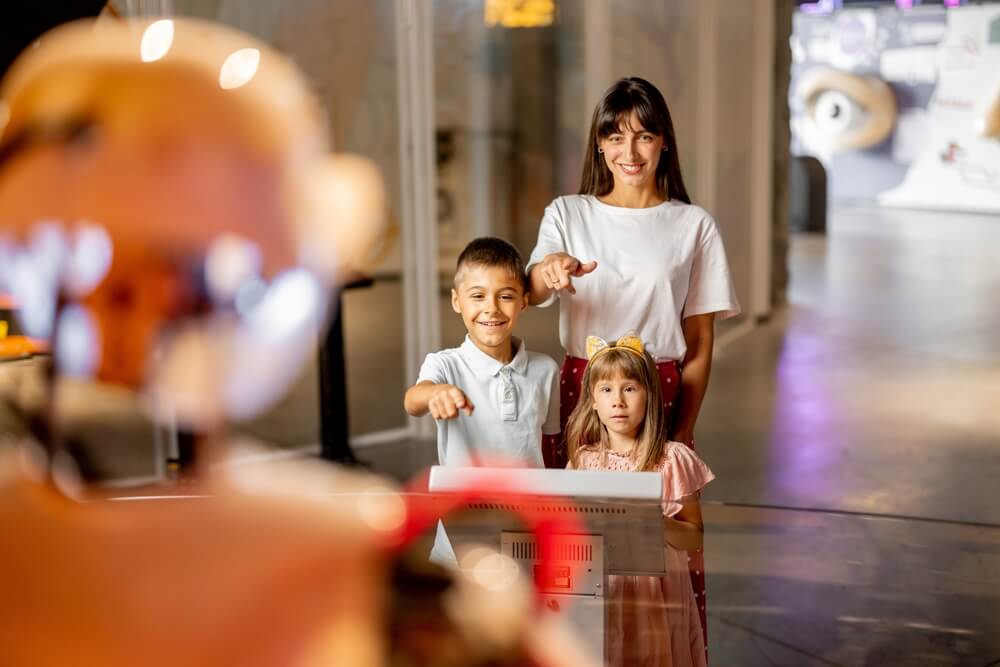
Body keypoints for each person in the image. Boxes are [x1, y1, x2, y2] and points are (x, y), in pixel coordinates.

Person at [526, 76, 740, 649]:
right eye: (616, 137)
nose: (630, 152)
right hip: (582, 388)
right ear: (598, 144)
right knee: (583, 537)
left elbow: (699, 343)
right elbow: (532, 288)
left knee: (661, 543)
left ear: (665, 142)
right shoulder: (567, 213)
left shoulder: (692, 225)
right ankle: (578, 652)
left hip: (658, 388)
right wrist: (548, 273)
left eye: (644, 137)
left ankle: (658, 650)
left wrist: (685, 425)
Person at [567, 335, 713, 667]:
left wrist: (659, 523)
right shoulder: (583, 461)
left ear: (649, 395)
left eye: (630, 388)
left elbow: (694, 536)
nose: (618, 401)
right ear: (592, 401)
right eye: (606, 390)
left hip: (659, 591)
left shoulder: (674, 459)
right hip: (604, 590)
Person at [404, 236, 561, 468]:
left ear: (523, 302)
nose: (492, 308)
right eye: (478, 296)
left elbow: (551, 443)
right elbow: (413, 401)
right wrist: (435, 393)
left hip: (528, 501)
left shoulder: (546, 369)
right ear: (457, 301)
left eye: (506, 296)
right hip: (467, 503)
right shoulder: (445, 365)